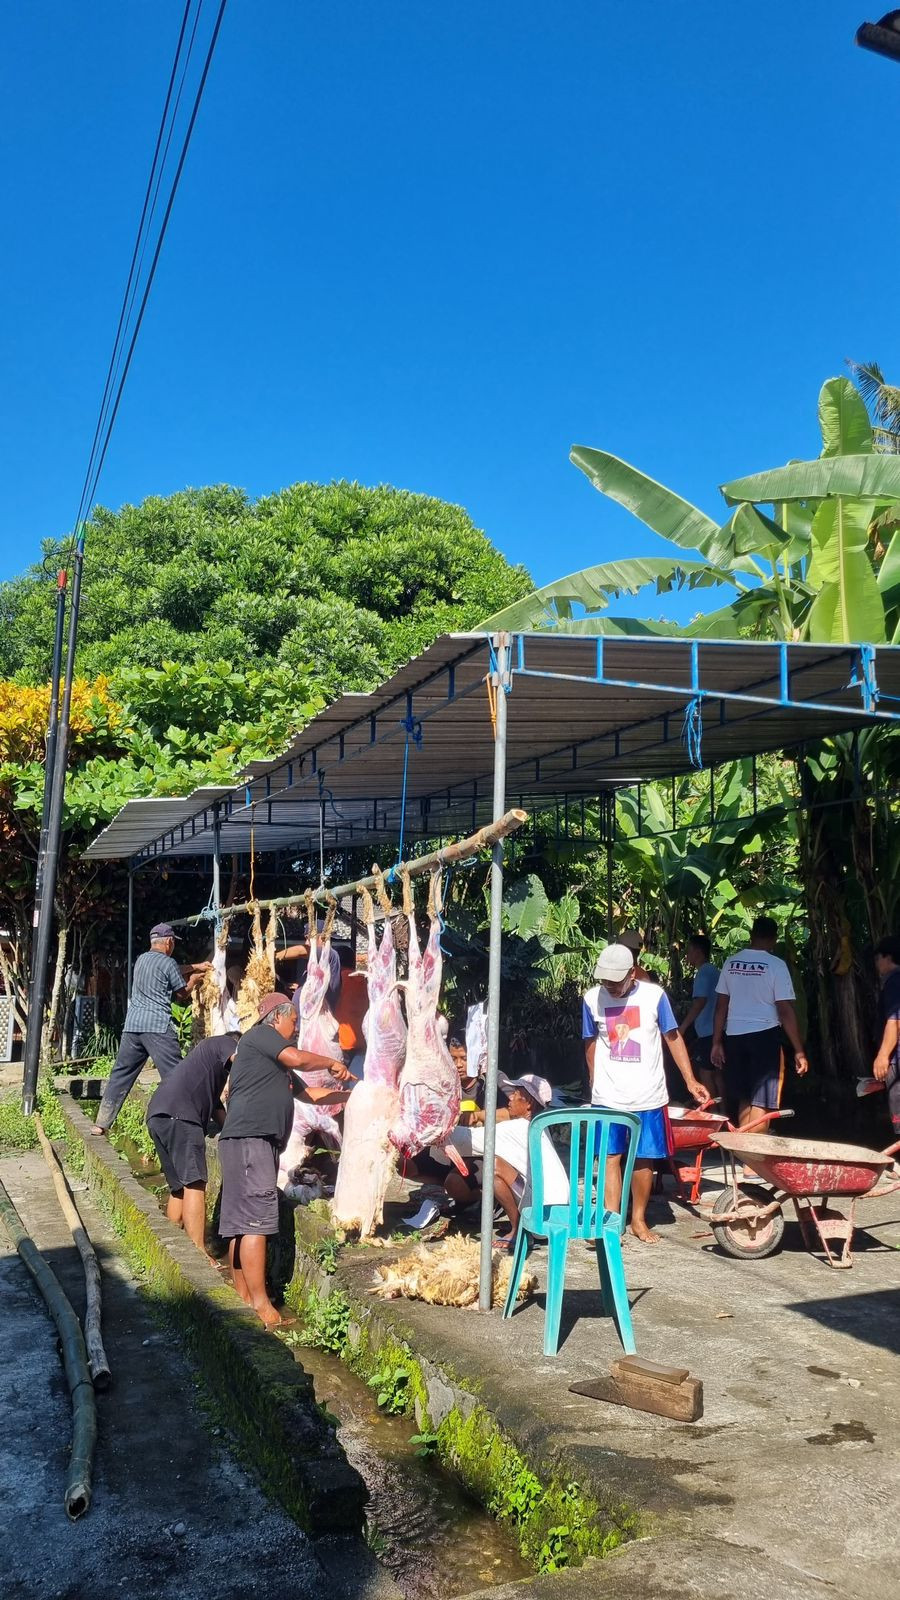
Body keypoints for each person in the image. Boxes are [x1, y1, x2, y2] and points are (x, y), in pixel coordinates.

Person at [217, 992, 348, 1328]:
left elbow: (310, 1095)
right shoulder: (261, 1036)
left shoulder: (271, 1059)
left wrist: (351, 1095)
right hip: (252, 1141)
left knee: (239, 1225)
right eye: (294, 1021)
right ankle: (263, 1307)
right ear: (277, 1016)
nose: (296, 1026)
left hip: (246, 1142)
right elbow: (298, 1058)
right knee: (256, 1224)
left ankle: (245, 1298)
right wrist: (331, 1063)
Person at [583, 943, 710, 1244]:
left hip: (648, 1094)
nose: (609, 987)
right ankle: (611, 1220)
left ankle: (639, 1219)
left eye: (616, 981)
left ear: (631, 973)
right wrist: (593, 1081)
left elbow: (673, 1037)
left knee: (643, 1159)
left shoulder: (654, 996)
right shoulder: (591, 999)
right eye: (605, 981)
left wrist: (690, 1081)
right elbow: (589, 1041)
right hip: (608, 1095)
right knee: (610, 1156)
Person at [92, 924, 209, 1135]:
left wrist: (195, 966)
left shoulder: (141, 960)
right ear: (170, 942)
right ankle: (190, 1121)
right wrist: (193, 979)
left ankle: (100, 1123)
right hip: (157, 1027)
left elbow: (171, 969)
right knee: (177, 1075)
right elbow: (181, 993)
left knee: (120, 1074)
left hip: (133, 1026)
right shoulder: (168, 962)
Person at [444, 1072, 569, 1243]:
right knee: (501, 1166)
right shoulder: (540, 1127)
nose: (510, 1098)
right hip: (559, 1216)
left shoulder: (518, 1128)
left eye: (516, 1094)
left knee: (494, 1166)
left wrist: (436, 1126)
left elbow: (465, 1140)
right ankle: (520, 1222)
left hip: (543, 1220)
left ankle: (518, 1231)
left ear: (529, 1104)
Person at [145, 1032, 239, 1259]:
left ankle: (172, 1248)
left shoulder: (203, 1072)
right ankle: (198, 1253)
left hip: (157, 1115)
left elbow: (220, 1115)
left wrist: (236, 1131)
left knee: (178, 1189)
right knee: (195, 1184)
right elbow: (243, 1059)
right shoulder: (226, 1042)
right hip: (181, 1116)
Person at [711, 916, 808, 1128]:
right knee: (763, 1102)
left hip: (734, 1036)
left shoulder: (731, 962)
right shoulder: (776, 965)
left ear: (752, 935)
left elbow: (721, 1007)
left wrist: (717, 1042)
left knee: (745, 1098)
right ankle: (753, 1159)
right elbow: (784, 1010)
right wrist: (798, 1049)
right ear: (774, 939)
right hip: (764, 1035)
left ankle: (744, 1152)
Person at [678, 933, 721, 1099]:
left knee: (705, 1072)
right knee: (717, 1072)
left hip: (707, 1031)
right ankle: (723, 1111)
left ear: (697, 951)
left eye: (689, 950)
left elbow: (700, 1002)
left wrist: (683, 1026)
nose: (686, 954)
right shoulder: (713, 971)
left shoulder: (703, 973)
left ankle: (712, 1111)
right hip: (717, 1029)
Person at [873, 935, 900, 1144]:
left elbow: (895, 1021)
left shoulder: (894, 982)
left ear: (887, 957)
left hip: (897, 1058)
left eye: (877, 959)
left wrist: (883, 1056)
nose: (877, 965)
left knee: (897, 1106)